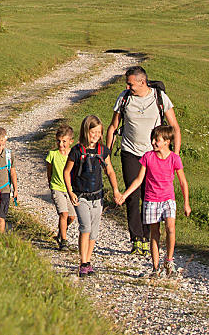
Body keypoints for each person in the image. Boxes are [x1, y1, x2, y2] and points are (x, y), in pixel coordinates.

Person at [106, 65, 181, 255]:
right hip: (130, 152)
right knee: (133, 196)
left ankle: (147, 238)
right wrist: (106, 152)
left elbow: (175, 127)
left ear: (142, 82)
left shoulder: (159, 98)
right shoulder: (124, 98)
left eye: (131, 84)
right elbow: (113, 126)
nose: (128, 86)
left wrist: (174, 155)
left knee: (150, 198)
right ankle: (136, 238)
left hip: (153, 155)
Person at [115, 125, 191, 278]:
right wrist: (125, 195)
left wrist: (186, 203)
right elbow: (138, 180)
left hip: (168, 199)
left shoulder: (174, 159)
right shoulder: (148, 157)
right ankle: (156, 268)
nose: (154, 143)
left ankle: (169, 260)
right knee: (154, 233)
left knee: (171, 228)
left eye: (157, 140)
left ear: (167, 141)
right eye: (153, 139)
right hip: (151, 200)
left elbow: (183, 182)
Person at [63, 115, 121, 278]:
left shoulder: (103, 151)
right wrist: (70, 192)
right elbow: (66, 172)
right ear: (85, 131)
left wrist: (115, 189)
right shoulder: (76, 151)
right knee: (85, 227)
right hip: (81, 196)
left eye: (98, 132)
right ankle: (83, 263)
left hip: (97, 196)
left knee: (94, 231)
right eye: (92, 132)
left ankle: (88, 261)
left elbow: (109, 170)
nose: (95, 135)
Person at [45, 123, 76, 250]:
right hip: (57, 188)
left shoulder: (73, 155)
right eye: (58, 141)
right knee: (63, 214)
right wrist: (51, 185)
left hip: (69, 189)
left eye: (64, 141)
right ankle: (64, 240)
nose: (61, 144)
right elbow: (49, 170)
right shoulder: (52, 154)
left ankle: (60, 231)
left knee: (71, 217)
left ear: (70, 141)